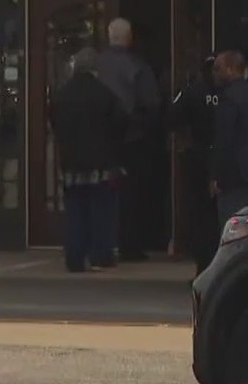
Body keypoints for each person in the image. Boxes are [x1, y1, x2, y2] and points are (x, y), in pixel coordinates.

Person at [49, 47, 128, 273]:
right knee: (100, 212)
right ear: (95, 69)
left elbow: (54, 123)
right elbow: (121, 122)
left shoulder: (62, 95)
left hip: (71, 163)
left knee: (74, 212)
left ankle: (74, 258)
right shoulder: (104, 94)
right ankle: (99, 256)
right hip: (100, 162)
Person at [94, 18, 161, 263]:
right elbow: (151, 103)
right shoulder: (138, 66)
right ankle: (129, 244)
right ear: (130, 37)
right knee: (132, 193)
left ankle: (100, 243)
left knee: (98, 191)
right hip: (132, 138)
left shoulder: (96, 65)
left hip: (99, 138)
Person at [167, 54, 220, 276]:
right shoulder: (231, 91)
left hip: (199, 156)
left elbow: (172, 118)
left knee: (200, 215)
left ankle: (203, 268)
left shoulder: (192, 91)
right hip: (224, 158)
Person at [210, 51, 248, 226]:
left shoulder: (228, 98)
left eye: (217, 68)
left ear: (229, 69)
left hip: (235, 178)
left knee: (234, 230)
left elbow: (224, 139)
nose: (214, 73)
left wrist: (217, 176)